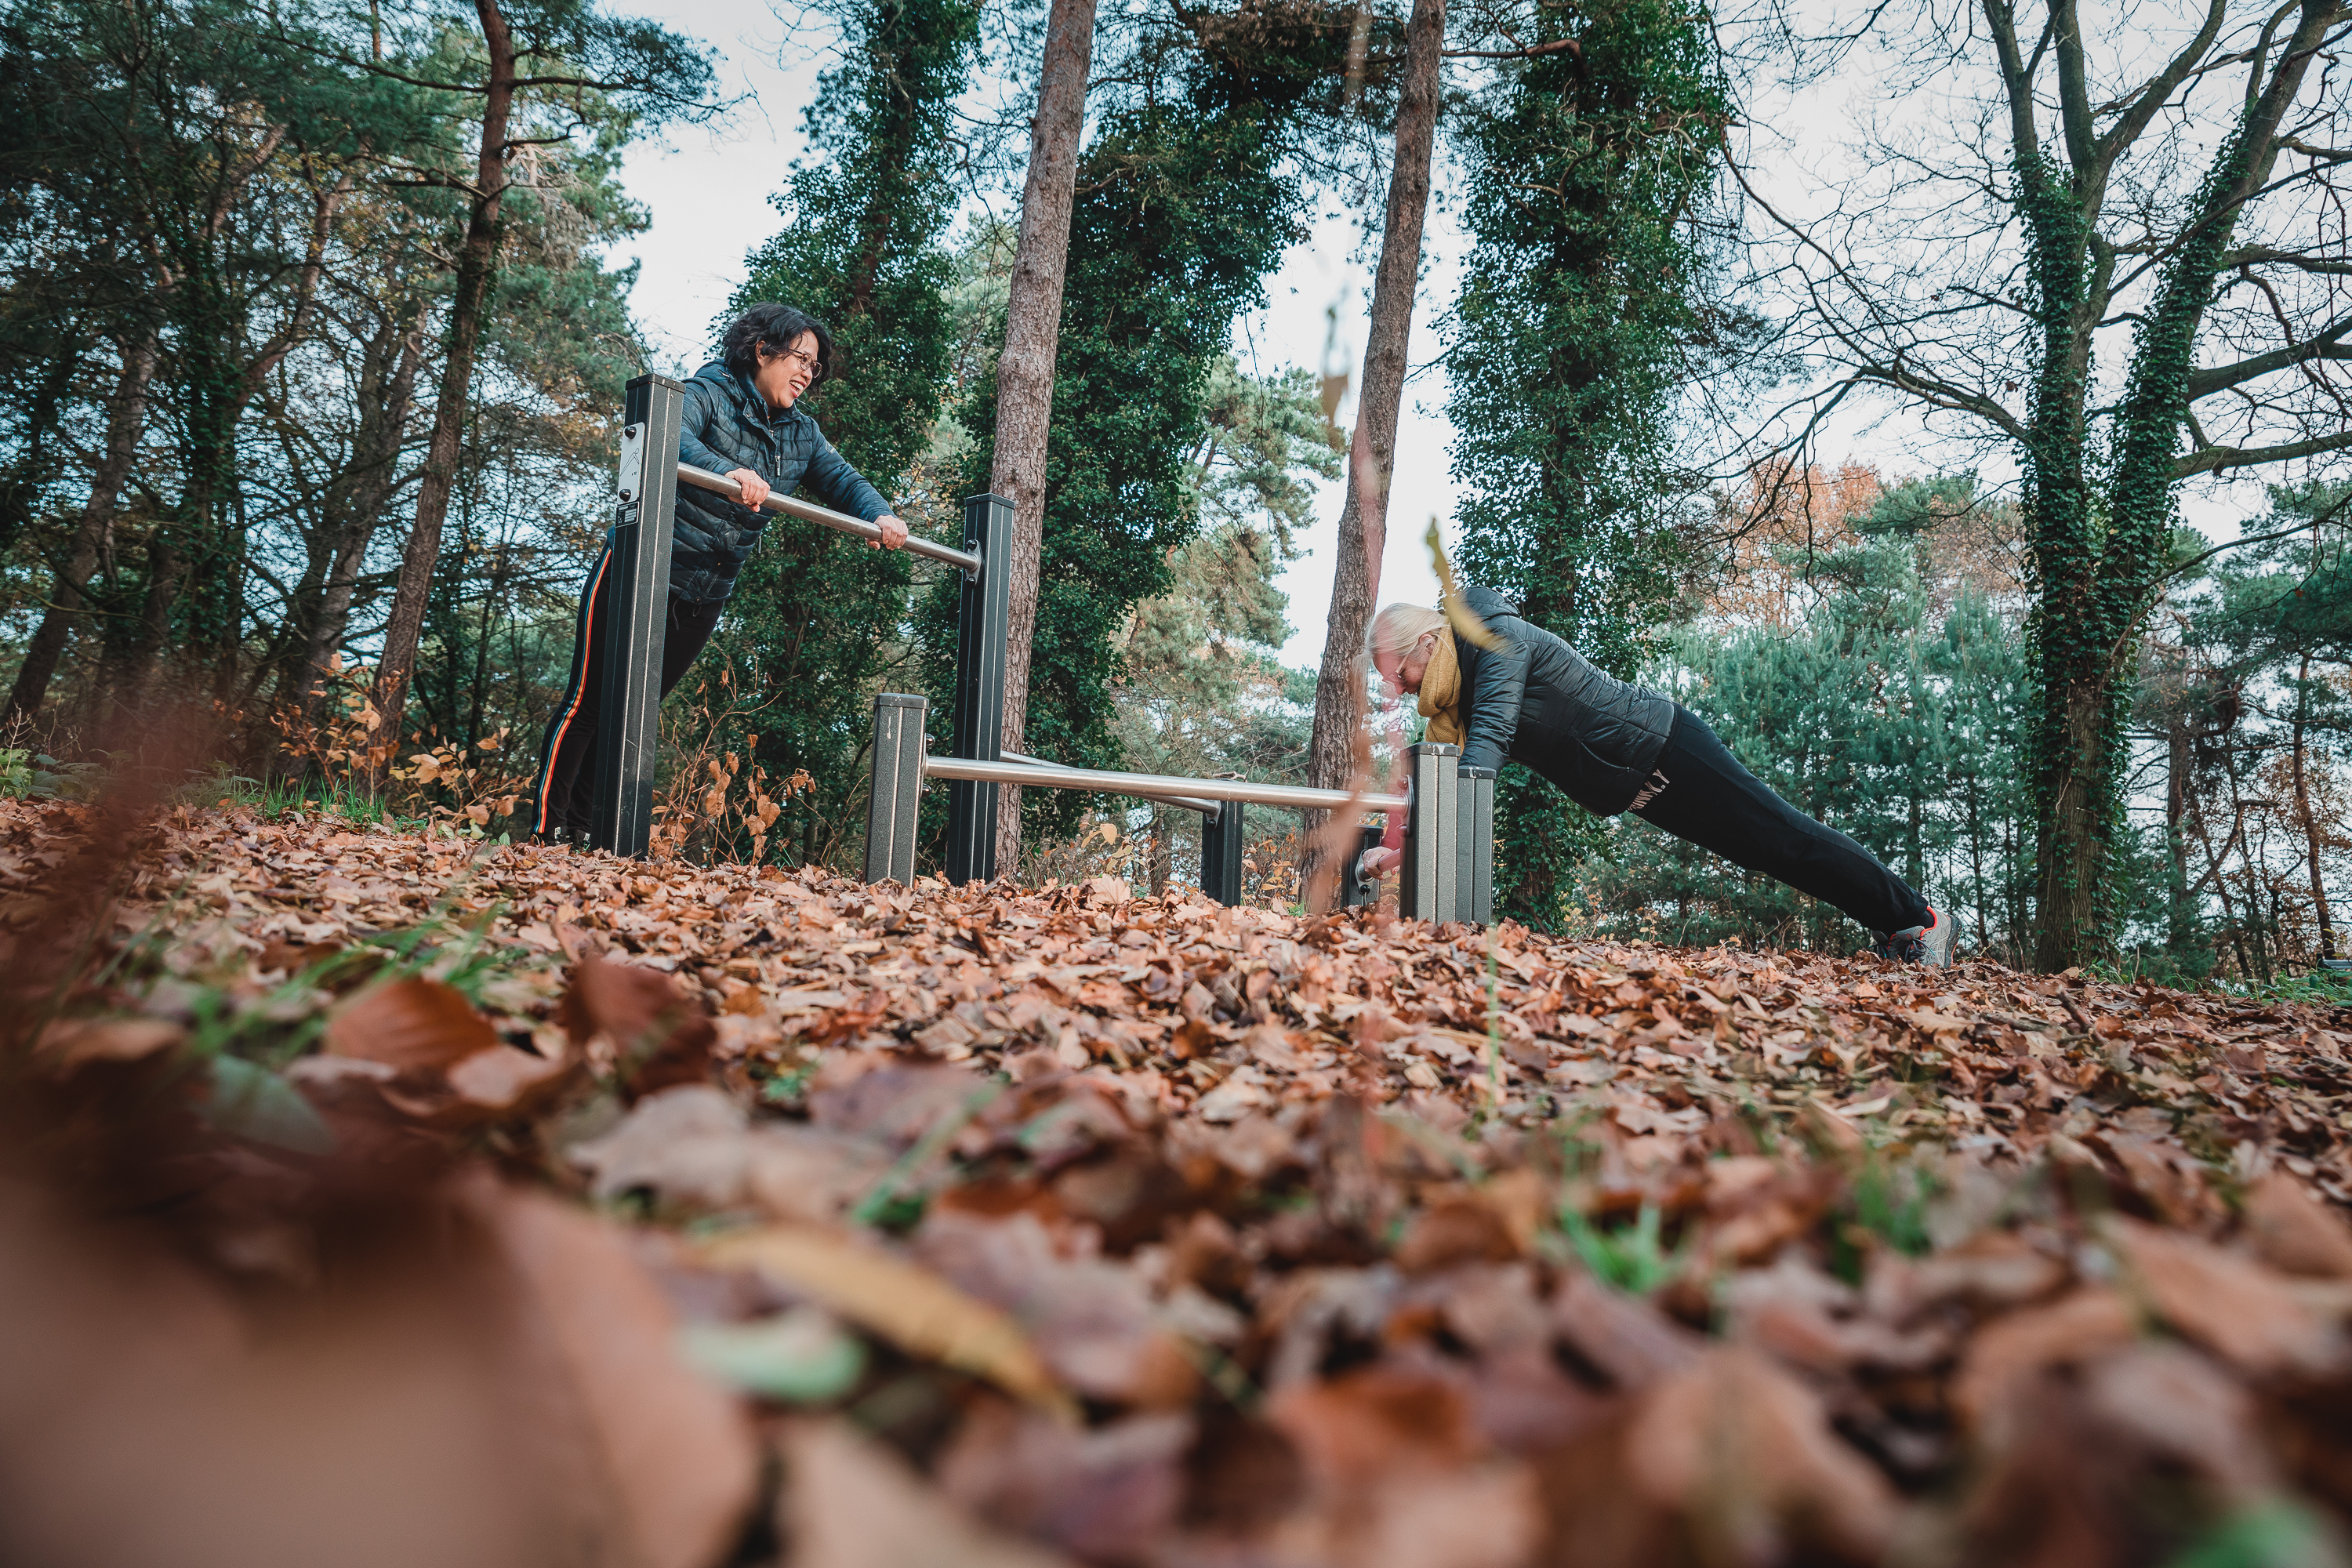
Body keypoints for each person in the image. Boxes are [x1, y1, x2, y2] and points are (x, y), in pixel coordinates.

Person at [1363, 586, 1957, 965]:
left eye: (1396, 670)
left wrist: (1443, 839)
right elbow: (1432, 771)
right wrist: (1394, 844)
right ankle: (1894, 928)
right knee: (1768, 853)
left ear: (1428, 640)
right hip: (1640, 783)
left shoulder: (1496, 641)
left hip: (1666, 746)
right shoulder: (1456, 701)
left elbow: (1484, 750)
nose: (1395, 687)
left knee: (1785, 836)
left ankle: (1920, 920)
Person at [532, 303, 909, 844]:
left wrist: (880, 514)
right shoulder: (710, 391)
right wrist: (726, 471)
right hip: (639, 569)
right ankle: (546, 833)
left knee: (634, 709)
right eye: (800, 358)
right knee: (592, 702)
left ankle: (587, 834)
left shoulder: (801, 434)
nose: (807, 372)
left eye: (815, 366)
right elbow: (671, 435)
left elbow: (842, 479)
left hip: (702, 594)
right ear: (762, 351)